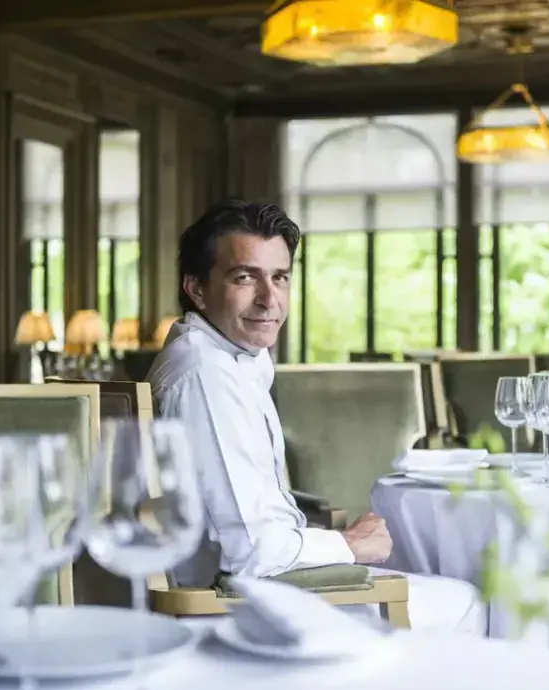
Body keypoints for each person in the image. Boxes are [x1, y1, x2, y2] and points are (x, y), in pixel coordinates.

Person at [148, 198, 485, 633]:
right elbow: (252, 551)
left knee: (425, 571)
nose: (269, 299)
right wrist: (347, 545)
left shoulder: (220, 357)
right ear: (197, 288)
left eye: (280, 278)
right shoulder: (206, 375)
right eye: (245, 277)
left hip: (264, 585)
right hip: (240, 606)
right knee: (463, 600)